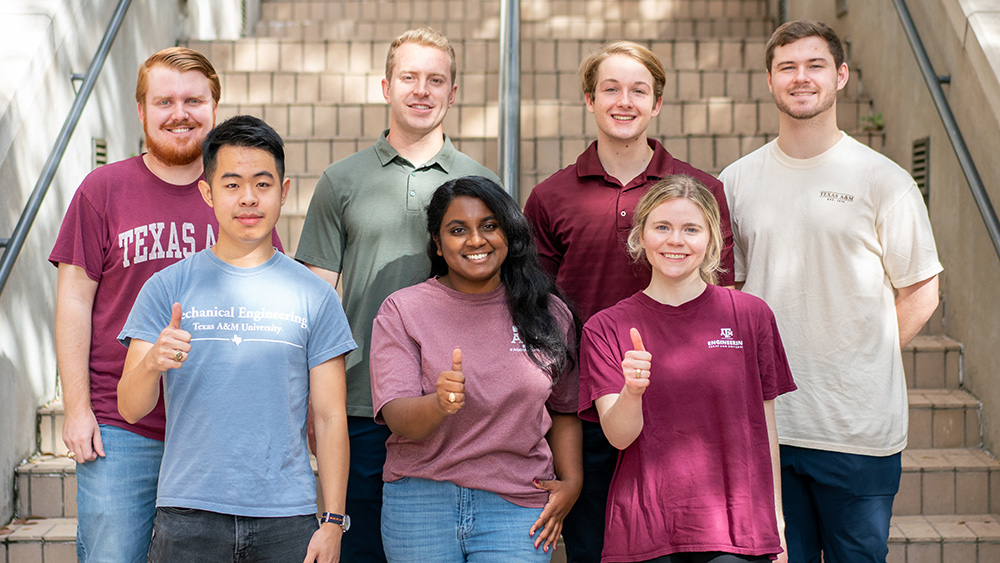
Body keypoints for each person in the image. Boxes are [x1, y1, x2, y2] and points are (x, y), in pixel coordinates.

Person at [719, 20, 942, 563]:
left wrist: (866, 363)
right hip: (770, 426)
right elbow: (734, 294)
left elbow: (921, 291)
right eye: (787, 67)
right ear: (770, 81)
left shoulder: (883, 179)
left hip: (857, 430)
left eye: (815, 65)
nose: (801, 78)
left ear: (840, 75)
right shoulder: (736, 181)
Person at [48, 47, 274, 563]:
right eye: (164, 100)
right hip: (122, 429)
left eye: (194, 100)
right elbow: (73, 303)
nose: (180, 113)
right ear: (141, 110)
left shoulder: (238, 194)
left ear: (214, 108)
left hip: (215, 430)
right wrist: (77, 410)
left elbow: (267, 304)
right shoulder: (101, 191)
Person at [522, 40, 736, 562]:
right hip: (588, 415)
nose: (625, 101)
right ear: (589, 101)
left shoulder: (699, 191)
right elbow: (536, 312)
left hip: (682, 415)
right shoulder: (550, 197)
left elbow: (721, 299)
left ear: (657, 102)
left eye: (638, 90)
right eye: (610, 89)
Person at [295, 26, 501, 561]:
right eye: (409, 77)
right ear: (384, 86)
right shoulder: (341, 181)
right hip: (363, 405)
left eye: (436, 80)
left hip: (457, 407)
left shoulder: (482, 184)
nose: (422, 90)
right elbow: (315, 301)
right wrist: (316, 404)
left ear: (453, 93)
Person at [116, 115, 354, 562]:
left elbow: (328, 418)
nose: (248, 198)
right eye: (232, 185)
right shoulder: (167, 288)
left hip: (287, 517)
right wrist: (152, 363)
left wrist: (334, 521)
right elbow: (130, 407)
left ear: (284, 192)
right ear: (207, 193)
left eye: (263, 184)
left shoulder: (315, 295)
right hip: (188, 514)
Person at [579, 176, 795, 563]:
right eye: (662, 227)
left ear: (711, 239)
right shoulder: (605, 327)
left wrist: (776, 520)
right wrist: (632, 391)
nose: (675, 240)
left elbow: (765, 427)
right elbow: (618, 438)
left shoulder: (750, 315)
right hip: (647, 531)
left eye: (690, 229)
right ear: (641, 236)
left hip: (736, 528)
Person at [369, 176, 582, 561]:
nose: (476, 240)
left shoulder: (549, 313)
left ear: (509, 232)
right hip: (421, 499)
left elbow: (564, 410)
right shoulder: (402, 310)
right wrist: (439, 403)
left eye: (489, 225)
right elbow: (397, 416)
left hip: (516, 504)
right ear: (436, 242)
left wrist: (572, 482)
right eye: (457, 230)